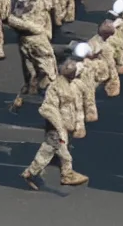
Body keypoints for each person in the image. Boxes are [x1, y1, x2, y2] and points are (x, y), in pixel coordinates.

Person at [21, 58, 89, 190]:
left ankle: (34, 173)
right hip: (56, 127)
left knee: (54, 151)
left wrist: (77, 125)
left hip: (64, 126)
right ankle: (35, 173)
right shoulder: (55, 87)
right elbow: (48, 108)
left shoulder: (73, 86)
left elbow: (77, 106)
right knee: (54, 151)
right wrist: (60, 128)